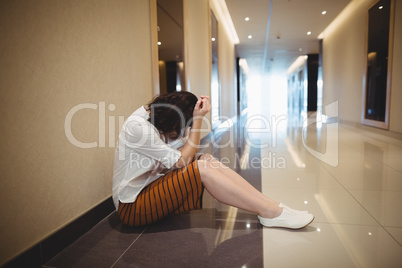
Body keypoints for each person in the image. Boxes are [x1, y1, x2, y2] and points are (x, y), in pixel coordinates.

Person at [112, 91, 314, 229]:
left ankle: (271, 206)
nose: (181, 130)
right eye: (184, 124)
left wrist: (196, 119)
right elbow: (183, 161)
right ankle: (270, 212)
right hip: (131, 208)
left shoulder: (157, 120)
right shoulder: (139, 127)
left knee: (205, 159)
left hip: (149, 190)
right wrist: (198, 120)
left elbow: (187, 152)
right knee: (201, 166)